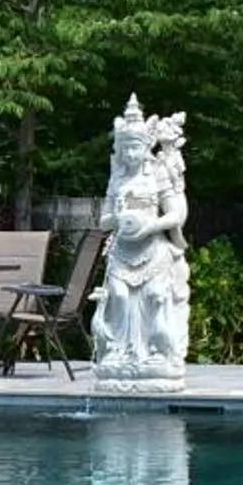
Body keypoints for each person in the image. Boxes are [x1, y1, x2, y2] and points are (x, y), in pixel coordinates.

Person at [94, 95, 189, 386]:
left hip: (153, 250)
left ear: (146, 147)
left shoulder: (157, 173)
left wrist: (150, 226)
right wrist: (119, 218)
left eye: (136, 148)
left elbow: (177, 214)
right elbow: (103, 219)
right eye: (126, 149)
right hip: (123, 253)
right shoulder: (117, 179)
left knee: (155, 298)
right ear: (120, 151)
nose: (131, 154)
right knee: (119, 298)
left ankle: (159, 354)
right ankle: (119, 353)